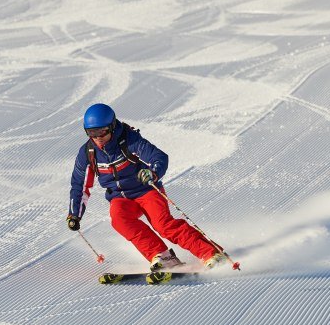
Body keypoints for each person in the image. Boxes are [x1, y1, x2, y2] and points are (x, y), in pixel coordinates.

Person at [67, 103, 226, 271]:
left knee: (163, 225)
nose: (97, 136)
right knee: (119, 220)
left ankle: (211, 253)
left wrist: (153, 172)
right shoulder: (87, 153)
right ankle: (164, 257)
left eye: (102, 131)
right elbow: (79, 185)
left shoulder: (129, 140)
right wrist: (74, 214)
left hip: (146, 190)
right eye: (91, 132)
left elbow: (159, 157)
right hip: (120, 198)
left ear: (112, 126)